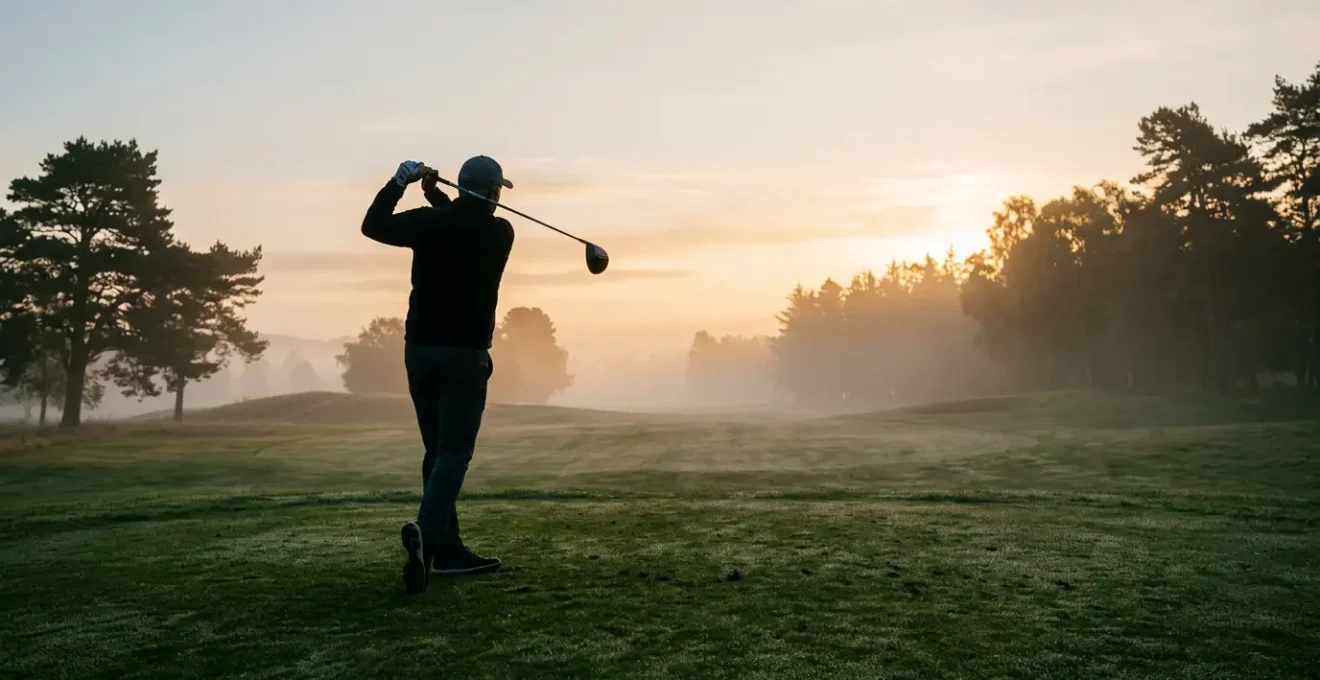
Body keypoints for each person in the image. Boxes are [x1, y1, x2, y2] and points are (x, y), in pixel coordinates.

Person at [360, 155, 516, 594]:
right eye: (498, 191)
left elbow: (373, 225)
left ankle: (447, 552)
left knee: (437, 451)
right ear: (493, 193)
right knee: (453, 452)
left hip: (420, 353)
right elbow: (465, 221)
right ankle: (428, 537)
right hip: (464, 357)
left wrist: (402, 182)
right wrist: (437, 196)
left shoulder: (428, 224)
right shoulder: (500, 233)